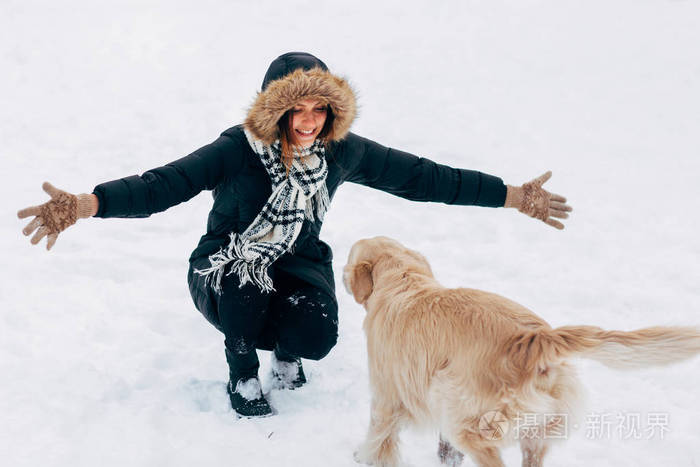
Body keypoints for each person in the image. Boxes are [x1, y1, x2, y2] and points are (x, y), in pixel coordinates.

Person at [17, 52, 572, 418]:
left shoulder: (341, 151)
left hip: (298, 262)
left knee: (318, 335)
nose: (307, 121)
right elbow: (165, 183)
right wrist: (90, 204)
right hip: (225, 265)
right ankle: (242, 374)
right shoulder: (235, 149)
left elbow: (423, 176)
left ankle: (286, 353)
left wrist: (512, 195)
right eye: (294, 110)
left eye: (319, 109)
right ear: (272, 111)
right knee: (244, 291)